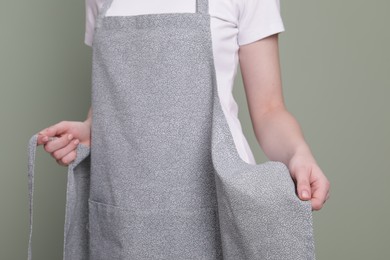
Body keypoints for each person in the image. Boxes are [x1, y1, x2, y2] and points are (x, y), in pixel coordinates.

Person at [34, 0, 330, 258]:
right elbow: (117, 86)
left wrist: (298, 153)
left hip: (215, 202)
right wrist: (93, 127)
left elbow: (269, 110)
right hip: (123, 211)